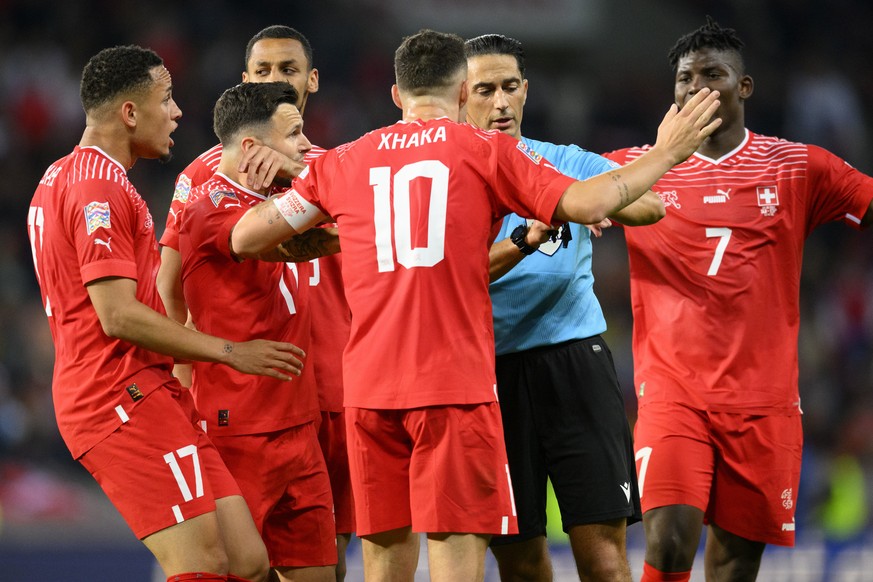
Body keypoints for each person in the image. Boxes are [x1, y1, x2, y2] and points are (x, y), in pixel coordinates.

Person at [229, 29, 721, 582]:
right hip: (454, 388)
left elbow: (247, 239)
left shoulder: (343, 162)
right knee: (457, 562)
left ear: (396, 95)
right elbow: (591, 201)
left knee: (386, 564)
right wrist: (668, 152)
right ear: (464, 93)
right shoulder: (485, 151)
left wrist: (349, 234)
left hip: (369, 389)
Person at [602, 18, 873, 582]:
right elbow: (548, 193)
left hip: (765, 405)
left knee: (732, 567)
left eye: (712, 74)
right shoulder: (631, 168)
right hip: (673, 397)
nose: (696, 87)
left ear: (743, 87)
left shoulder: (798, 166)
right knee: (670, 540)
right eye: (684, 77)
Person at [26, 45, 306, 582]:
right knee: (200, 562)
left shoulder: (65, 174)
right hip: (117, 395)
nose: (177, 112)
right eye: (167, 99)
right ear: (130, 113)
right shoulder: (97, 186)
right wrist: (229, 353)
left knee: (247, 561)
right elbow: (118, 316)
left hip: (149, 389)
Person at [156, 25, 356, 580]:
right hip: (242, 402)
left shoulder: (331, 168)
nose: (277, 82)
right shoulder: (203, 179)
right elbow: (170, 287)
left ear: (311, 80)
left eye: (288, 71)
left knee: (331, 556)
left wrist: (299, 171)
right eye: (263, 73)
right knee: (242, 561)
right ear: (245, 83)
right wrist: (188, 376)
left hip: (331, 387)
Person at [464, 33, 654, 582]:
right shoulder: (450, 177)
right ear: (460, 97)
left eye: (508, 88)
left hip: (575, 364)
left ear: (525, 91)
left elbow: (651, 205)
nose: (499, 102)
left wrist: (588, 197)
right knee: (520, 561)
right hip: (490, 375)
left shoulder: (562, 161)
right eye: (484, 90)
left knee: (603, 557)